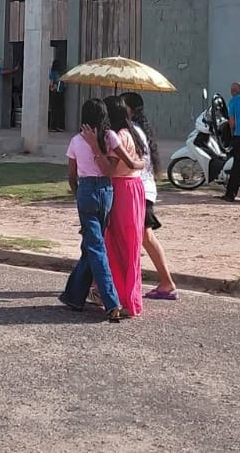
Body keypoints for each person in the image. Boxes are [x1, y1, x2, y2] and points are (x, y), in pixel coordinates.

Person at [58, 99, 122, 321]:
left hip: (89, 190)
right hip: (104, 192)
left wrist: (78, 194)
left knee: (95, 248)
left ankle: (111, 301)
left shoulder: (79, 140)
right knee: (92, 246)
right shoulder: (110, 136)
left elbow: (72, 176)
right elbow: (109, 172)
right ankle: (74, 296)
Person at [121, 91, 178, 301]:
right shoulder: (137, 129)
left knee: (145, 236)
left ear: (130, 109)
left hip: (141, 190)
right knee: (142, 236)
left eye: (122, 105)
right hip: (144, 189)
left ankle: (166, 283)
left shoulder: (131, 130)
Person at [102, 96, 149, 318]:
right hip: (135, 187)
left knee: (118, 244)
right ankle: (132, 298)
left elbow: (111, 169)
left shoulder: (117, 137)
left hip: (121, 188)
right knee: (131, 246)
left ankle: (123, 297)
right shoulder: (131, 133)